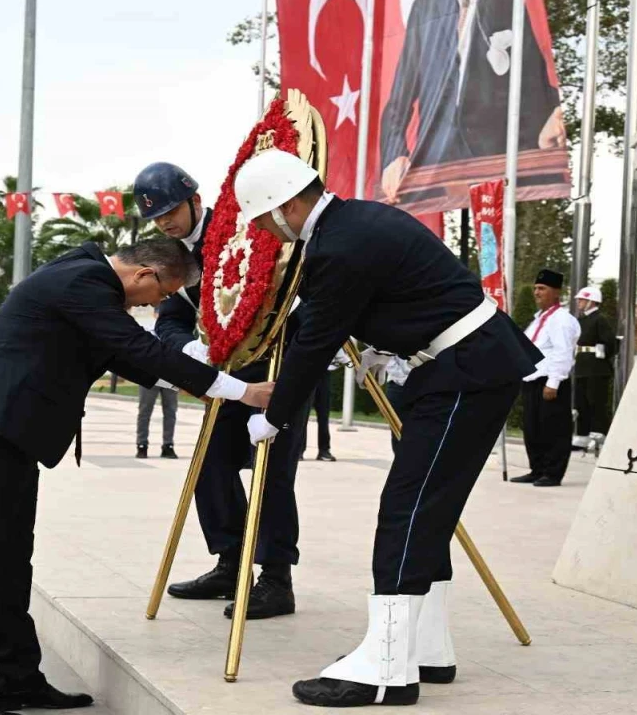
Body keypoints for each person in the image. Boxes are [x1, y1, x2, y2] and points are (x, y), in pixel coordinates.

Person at [234, 149, 540, 707]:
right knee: (428, 510)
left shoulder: (338, 245)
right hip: (458, 367)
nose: (265, 233)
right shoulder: (354, 223)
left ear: (286, 206)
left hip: (464, 371)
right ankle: (427, 646)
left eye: (263, 221)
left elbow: (315, 339)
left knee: (408, 507)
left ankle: (387, 667)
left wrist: (272, 417)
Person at [0, 238, 273, 715]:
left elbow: (134, 360)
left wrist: (217, 374)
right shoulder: (83, 281)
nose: (155, 305)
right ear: (145, 274)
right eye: (162, 294)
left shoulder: (89, 283)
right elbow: (139, 349)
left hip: (4, 436)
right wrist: (243, 392)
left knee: (9, 564)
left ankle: (18, 680)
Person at [135, 161, 309, 620]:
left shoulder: (243, 230)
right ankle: (231, 564)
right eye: (156, 217)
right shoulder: (172, 256)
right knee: (210, 466)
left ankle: (276, 579)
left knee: (272, 473)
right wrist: (189, 347)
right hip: (228, 376)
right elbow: (169, 320)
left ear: (195, 200)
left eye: (171, 211)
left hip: (279, 367)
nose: (165, 222)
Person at [379, 0, 565, 203]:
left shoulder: (508, 3)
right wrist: (394, 155)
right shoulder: (426, 6)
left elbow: (533, 77)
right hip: (435, 163)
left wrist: (551, 113)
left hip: (495, 161)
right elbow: (400, 97)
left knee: (497, 223)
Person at [510, 269, 581, 487]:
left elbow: (563, 352)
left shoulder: (561, 320)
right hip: (532, 381)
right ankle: (537, 469)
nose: (536, 293)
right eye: (535, 288)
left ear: (556, 292)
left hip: (550, 382)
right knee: (533, 429)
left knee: (554, 429)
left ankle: (553, 473)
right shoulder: (539, 319)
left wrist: (554, 382)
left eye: (542, 288)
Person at [572, 286, 615, 452]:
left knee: (596, 402)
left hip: (596, 368)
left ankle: (599, 434)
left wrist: (600, 354)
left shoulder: (600, 319)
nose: (579, 302)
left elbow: (610, 343)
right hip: (582, 366)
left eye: (582, 299)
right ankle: (583, 436)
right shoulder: (580, 320)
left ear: (592, 301)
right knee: (581, 403)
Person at [135, 376, 179, 458]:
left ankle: (168, 445)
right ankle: (142, 444)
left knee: (170, 413)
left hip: (170, 377)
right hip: (148, 376)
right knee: (144, 412)